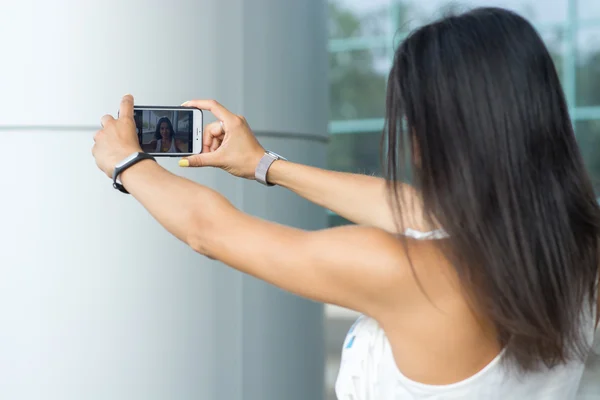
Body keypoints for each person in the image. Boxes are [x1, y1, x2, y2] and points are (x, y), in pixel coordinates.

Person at [92, 7, 600, 399]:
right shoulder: (576, 245)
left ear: (438, 134)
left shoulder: (406, 272)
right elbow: (408, 205)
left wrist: (127, 164)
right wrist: (263, 165)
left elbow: (212, 230)